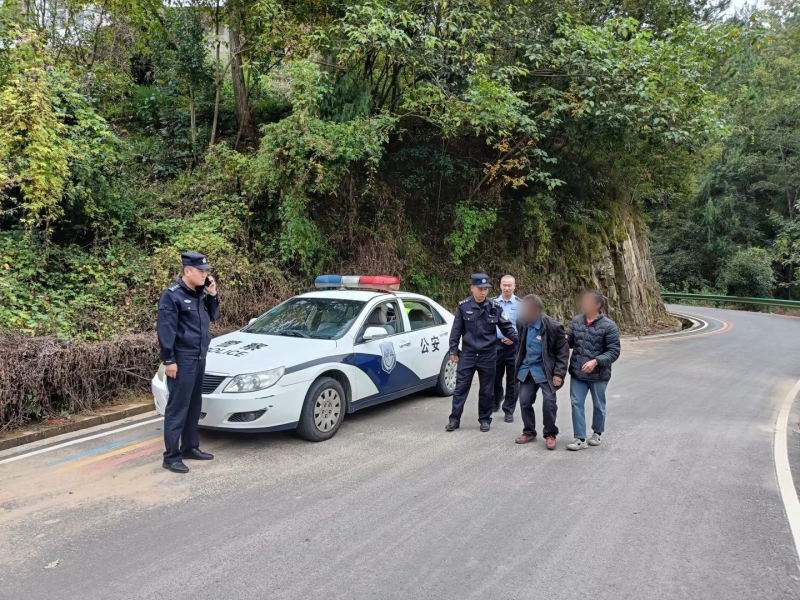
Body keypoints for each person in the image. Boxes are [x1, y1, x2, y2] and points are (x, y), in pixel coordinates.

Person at [157, 252, 220, 473]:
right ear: (187, 271)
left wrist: (212, 294)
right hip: (182, 359)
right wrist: (169, 360)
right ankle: (171, 456)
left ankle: (190, 447)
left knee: (194, 406)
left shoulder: (200, 294)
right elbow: (166, 330)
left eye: (206, 272)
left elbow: (213, 317)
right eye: (201, 271)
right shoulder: (171, 296)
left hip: (199, 356)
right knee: (178, 408)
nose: (205, 275)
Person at [447, 274, 518, 432]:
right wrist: (453, 350)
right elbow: (456, 331)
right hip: (468, 354)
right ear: (472, 288)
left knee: (487, 390)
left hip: (488, 355)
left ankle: (485, 420)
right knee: (461, 389)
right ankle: (454, 419)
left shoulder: (495, 307)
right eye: (480, 289)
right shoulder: (463, 307)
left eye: (486, 289)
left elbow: (508, 328)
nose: (483, 292)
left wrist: (521, 342)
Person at [565, 290, 621, 451]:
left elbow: (613, 351)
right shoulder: (577, 321)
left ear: (597, 305)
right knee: (576, 403)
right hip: (578, 371)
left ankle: (597, 432)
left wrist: (596, 361)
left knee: (598, 404)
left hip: (599, 374)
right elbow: (569, 341)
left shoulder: (609, 326)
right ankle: (580, 438)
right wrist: (563, 339)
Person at [513, 295, 569, 450]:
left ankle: (550, 434)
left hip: (546, 371)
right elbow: (521, 346)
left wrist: (559, 373)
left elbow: (563, 352)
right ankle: (529, 432)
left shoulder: (553, 326)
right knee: (524, 401)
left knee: (549, 403)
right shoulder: (521, 322)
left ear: (536, 310)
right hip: (527, 370)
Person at [493, 275, 522, 422]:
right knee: (494, 377)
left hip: (514, 346)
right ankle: (497, 398)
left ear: (514, 286)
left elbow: (525, 326)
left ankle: (509, 409)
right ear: (500, 285)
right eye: (504, 285)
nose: (507, 288)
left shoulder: (521, 305)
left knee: (513, 379)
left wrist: (514, 337)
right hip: (496, 345)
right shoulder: (492, 303)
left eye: (510, 285)